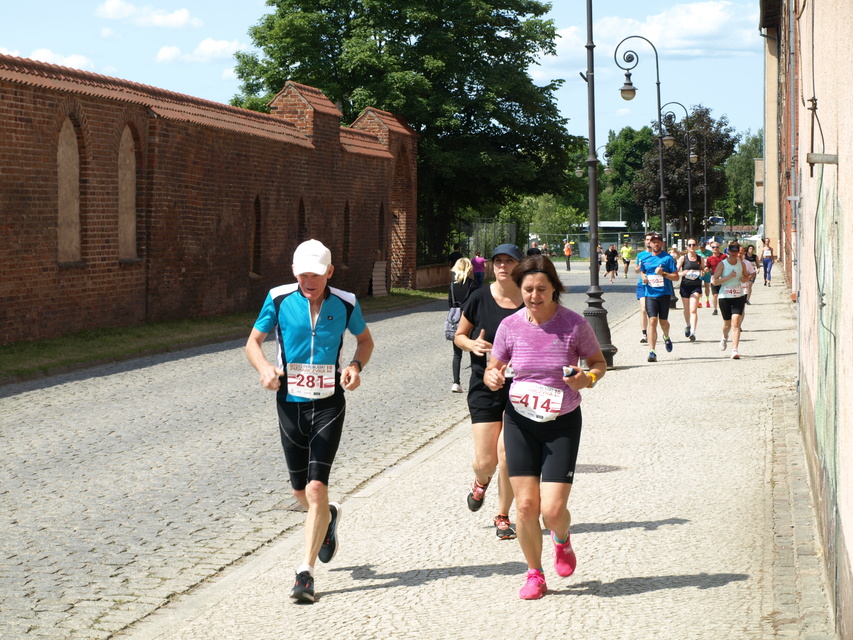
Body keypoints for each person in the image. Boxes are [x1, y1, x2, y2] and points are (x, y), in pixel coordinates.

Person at [245, 239, 374, 603]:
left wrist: (355, 366)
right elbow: (253, 342)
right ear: (294, 272)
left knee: (317, 487)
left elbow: (365, 341)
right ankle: (327, 518)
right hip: (290, 402)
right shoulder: (278, 298)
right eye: (303, 274)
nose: (308, 280)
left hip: (329, 403)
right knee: (300, 492)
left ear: (329, 272)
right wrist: (264, 368)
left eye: (316, 274)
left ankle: (305, 573)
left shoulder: (346, 302)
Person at [483, 254, 606, 600]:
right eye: (528, 290)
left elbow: (598, 363)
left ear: (554, 288)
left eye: (541, 289)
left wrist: (587, 379)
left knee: (551, 511)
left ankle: (561, 538)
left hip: (561, 423)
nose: (534, 296)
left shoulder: (573, 324)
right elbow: (495, 366)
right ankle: (534, 573)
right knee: (525, 506)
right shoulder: (510, 326)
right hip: (520, 421)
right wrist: (492, 376)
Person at [454, 244, 524, 540]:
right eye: (498, 261)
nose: (503, 266)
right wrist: (472, 344)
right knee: (487, 462)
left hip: (520, 388)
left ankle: (503, 515)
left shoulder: (530, 299)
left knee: (508, 454)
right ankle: (480, 482)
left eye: (509, 261)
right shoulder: (480, 297)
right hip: (484, 386)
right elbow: (459, 335)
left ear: (520, 265)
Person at [637, 233, 679, 362]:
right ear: (649, 243)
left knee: (663, 322)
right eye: (653, 242)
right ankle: (652, 351)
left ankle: (666, 336)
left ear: (662, 243)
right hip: (650, 294)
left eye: (658, 242)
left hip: (664, 294)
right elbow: (642, 271)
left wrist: (663, 274)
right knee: (652, 321)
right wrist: (643, 277)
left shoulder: (667, 258)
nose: (656, 244)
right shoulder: (645, 258)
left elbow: (676, 277)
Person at [712, 242, 749, 359]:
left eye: (735, 251)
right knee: (727, 324)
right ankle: (724, 337)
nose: (733, 253)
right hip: (725, 297)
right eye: (731, 251)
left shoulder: (741, 264)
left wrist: (745, 278)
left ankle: (734, 350)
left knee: (736, 323)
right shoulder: (722, 264)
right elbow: (714, 281)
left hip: (738, 296)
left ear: (738, 252)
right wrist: (729, 277)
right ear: (728, 251)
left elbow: (746, 277)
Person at [449, 258, 476, 393]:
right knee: (473, 351)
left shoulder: (452, 285)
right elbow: (476, 303)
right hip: (469, 319)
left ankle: (456, 383)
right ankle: (474, 382)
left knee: (457, 354)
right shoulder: (472, 284)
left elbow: (450, 304)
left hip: (455, 320)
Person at [677, 238, 705, 341]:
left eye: (693, 245)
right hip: (685, 285)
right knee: (686, 309)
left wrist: (703, 272)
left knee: (693, 309)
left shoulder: (700, 258)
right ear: (687, 246)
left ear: (697, 246)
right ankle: (688, 325)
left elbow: (703, 270)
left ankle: (693, 332)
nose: (692, 247)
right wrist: (682, 273)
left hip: (696, 286)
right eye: (690, 245)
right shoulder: (683, 258)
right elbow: (675, 272)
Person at [634, 233, 653, 344]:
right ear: (645, 241)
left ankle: (652, 331)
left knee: (652, 311)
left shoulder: (658, 255)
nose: (649, 241)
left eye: (651, 239)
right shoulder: (640, 255)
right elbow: (636, 270)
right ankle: (644, 334)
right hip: (642, 285)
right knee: (643, 309)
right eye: (647, 239)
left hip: (654, 285)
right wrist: (639, 267)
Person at [704, 242, 727, 316]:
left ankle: (725, 308)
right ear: (711, 248)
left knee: (724, 294)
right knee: (715, 294)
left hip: (723, 277)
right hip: (714, 277)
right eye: (713, 247)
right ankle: (715, 309)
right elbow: (707, 267)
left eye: (717, 247)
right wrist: (706, 270)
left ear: (719, 248)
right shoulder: (709, 258)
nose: (715, 249)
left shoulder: (724, 256)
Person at [696, 242, 713, 307]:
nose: (702, 249)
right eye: (701, 247)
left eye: (703, 247)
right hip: (699, 271)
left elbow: (711, 261)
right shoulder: (697, 252)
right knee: (699, 286)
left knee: (707, 286)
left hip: (707, 271)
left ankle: (707, 300)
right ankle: (700, 301)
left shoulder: (709, 252)